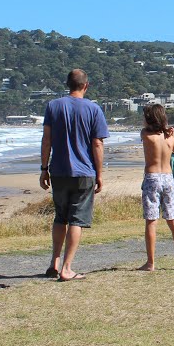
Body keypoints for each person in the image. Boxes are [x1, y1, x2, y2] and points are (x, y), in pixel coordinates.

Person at [40, 69, 109, 281]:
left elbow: (47, 140)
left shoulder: (53, 106)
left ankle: (54, 261)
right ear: (86, 85)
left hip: (59, 170)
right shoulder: (94, 109)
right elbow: (97, 143)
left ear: (68, 84)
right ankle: (67, 268)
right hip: (84, 170)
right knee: (76, 219)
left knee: (60, 217)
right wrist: (99, 173)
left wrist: (44, 168)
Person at [139, 104, 174, 271]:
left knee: (151, 221)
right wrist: (168, 134)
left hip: (152, 178)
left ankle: (151, 263)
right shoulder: (170, 138)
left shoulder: (145, 135)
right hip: (168, 179)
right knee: (173, 219)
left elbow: (146, 129)